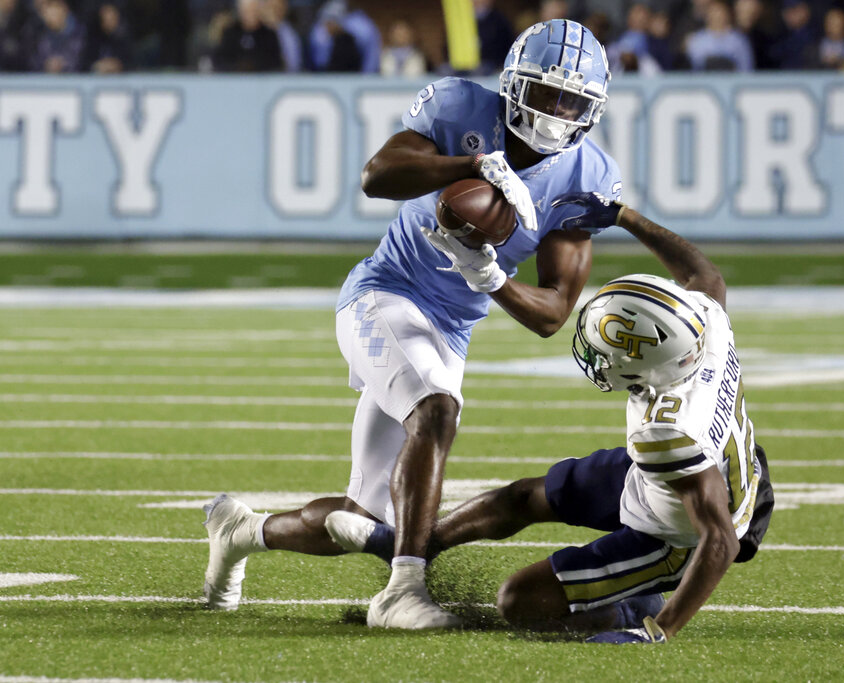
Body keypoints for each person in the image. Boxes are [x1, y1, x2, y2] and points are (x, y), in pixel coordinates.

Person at [202, 19, 623, 631]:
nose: (556, 114)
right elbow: (377, 176)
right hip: (384, 294)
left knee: (374, 518)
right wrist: (472, 166)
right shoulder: (462, 107)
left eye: (572, 102)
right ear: (511, 85)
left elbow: (554, 313)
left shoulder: (585, 178)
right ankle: (402, 591)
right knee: (437, 409)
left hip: (449, 329)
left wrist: (493, 278)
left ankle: (240, 531)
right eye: (546, 93)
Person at [325, 194, 775, 642]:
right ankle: (413, 549)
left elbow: (720, 540)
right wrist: (625, 217)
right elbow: (704, 275)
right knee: (523, 497)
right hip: (695, 471)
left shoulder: (667, 433)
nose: (595, 359)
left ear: (651, 368)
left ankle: (632, 607)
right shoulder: (705, 325)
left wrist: (661, 632)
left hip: (675, 537)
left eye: (609, 353)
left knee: (520, 603)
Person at [213, 0, 282, 72]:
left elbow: (275, 63)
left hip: (263, 80)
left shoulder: (269, 35)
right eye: (247, 10)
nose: (250, 13)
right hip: (234, 80)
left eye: (253, 9)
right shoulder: (230, 33)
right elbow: (220, 60)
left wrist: (253, 66)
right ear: (240, 10)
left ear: (259, 10)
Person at [685, 0, 753, 72]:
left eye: (720, 12)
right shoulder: (697, 40)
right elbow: (694, 69)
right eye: (713, 12)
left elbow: (746, 68)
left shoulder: (739, 40)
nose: (717, 16)